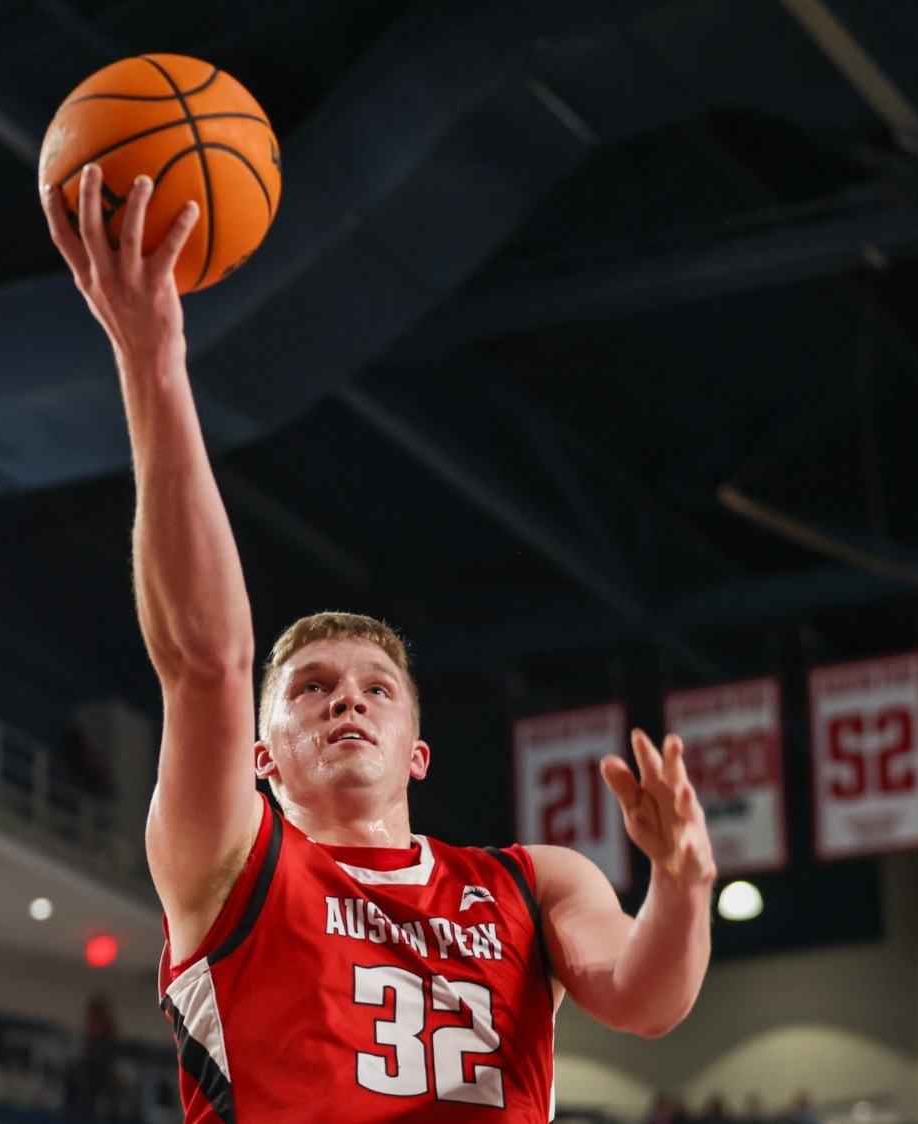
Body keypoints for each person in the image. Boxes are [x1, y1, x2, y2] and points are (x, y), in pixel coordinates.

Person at [42, 165, 716, 1123]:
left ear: (419, 753)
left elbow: (648, 1003)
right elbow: (205, 664)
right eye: (311, 687)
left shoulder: (533, 885)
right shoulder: (231, 862)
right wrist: (153, 361)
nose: (347, 698)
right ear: (262, 757)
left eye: (377, 688)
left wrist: (683, 883)